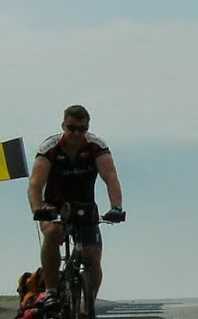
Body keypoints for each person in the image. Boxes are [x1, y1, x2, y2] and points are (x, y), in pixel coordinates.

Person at [27, 105, 125, 306]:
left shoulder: (96, 146)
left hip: (85, 206)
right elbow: (35, 184)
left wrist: (116, 207)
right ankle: (51, 291)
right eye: (72, 128)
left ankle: (88, 307)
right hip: (54, 206)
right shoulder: (50, 148)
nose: (77, 133)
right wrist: (38, 208)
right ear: (63, 126)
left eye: (82, 129)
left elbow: (111, 177)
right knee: (52, 232)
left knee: (92, 256)